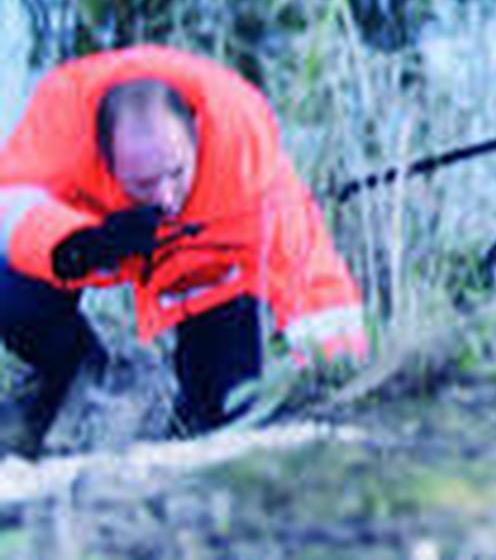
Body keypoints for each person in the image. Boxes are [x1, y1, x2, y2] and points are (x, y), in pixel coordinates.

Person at [0, 45, 367, 457]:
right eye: (143, 184)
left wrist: (338, 361)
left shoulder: (239, 144)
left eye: (176, 173)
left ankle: (182, 404)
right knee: (10, 293)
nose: (166, 197)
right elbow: (11, 205)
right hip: (94, 231)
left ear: (195, 132)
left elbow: (303, 257)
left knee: (225, 415)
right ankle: (82, 375)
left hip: (204, 266)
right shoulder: (60, 125)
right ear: (103, 160)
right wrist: (79, 244)